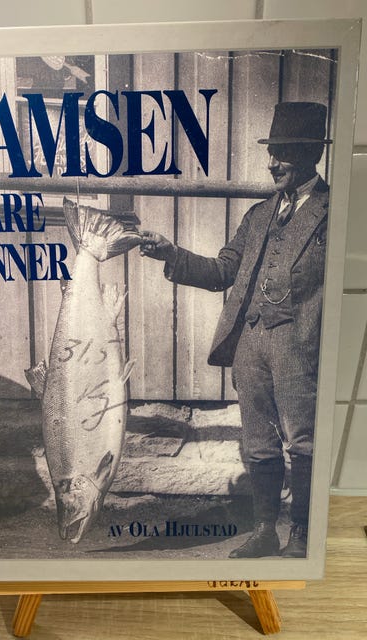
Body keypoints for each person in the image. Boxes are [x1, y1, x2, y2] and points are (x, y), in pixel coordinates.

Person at [140, 102, 331, 558]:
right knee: (259, 442)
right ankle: (265, 531)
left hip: (301, 345)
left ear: (310, 154)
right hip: (250, 345)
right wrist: (171, 253)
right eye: (271, 153)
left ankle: (302, 534)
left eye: (282, 153)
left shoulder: (336, 212)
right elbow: (222, 271)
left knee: (304, 441)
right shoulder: (258, 215)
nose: (272, 163)